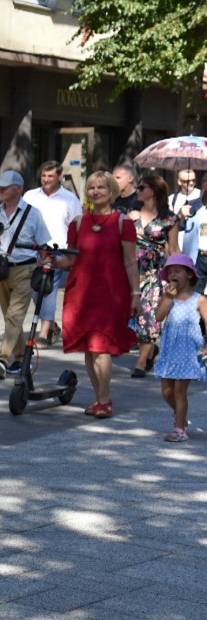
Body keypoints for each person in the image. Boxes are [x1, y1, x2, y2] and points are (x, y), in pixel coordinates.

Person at [54, 170, 140, 418]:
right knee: (89, 349)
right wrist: (52, 260)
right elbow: (70, 260)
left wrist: (136, 294)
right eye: (92, 187)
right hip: (81, 294)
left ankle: (104, 400)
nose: (96, 192)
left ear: (112, 191)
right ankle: (99, 399)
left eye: (101, 187)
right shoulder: (78, 223)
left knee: (101, 346)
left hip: (111, 294)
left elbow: (130, 262)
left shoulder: (123, 223)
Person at [0, 170, 53, 379]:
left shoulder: (33, 213)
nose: (1, 191)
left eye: (5, 187)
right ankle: (22, 360)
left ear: (19, 189)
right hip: (1, 269)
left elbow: (43, 245)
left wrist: (47, 268)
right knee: (10, 318)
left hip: (26, 269)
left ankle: (3, 358)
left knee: (14, 316)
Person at [22, 161, 83, 341]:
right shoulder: (30, 196)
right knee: (36, 290)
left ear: (60, 177)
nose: (46, 179)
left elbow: (76, 225)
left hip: (57, 251)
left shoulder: (70, 199)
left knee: (47, 289)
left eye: (50, 176)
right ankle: (51, 325)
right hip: (33, 250)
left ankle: (43, 333)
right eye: (43, 176)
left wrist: (72, 251)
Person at [130, 173, 179, 377]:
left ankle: (141, 362)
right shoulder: (132, 214)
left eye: (142, 187)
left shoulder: (170, 218)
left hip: (154, 273)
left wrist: (177, 277)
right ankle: (150, 351)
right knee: (132, 316)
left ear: (154, 191)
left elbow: (174, 249)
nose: (138, 191)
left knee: (148, 316)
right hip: (131, 269)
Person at [155, 254, 207, 441]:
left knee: (179, 390)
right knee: (166, 391)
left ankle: (179, 429)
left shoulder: (200, 300)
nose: (172, 275)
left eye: (177, 271)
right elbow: (159, 317)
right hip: (170, 350)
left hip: (188, 351)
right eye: (170, 272)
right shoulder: (170, 297)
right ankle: (181, 416)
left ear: (189, 274)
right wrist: (167, 298)